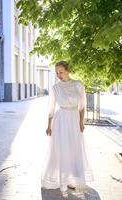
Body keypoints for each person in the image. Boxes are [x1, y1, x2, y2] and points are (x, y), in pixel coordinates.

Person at [41, 61, 93, 197]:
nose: (58, 75)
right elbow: (51, 107)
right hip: (61, 120)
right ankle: (61, 179)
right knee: (61, 148)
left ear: (68, 71)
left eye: (61, 72)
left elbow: (82, 106)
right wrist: (49, 125)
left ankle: (72, 179)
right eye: (57, 72)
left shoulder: (78, 85)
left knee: (74, 148)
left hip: (74, 119)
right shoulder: (55, 88)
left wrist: (81, 122)